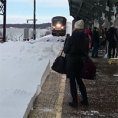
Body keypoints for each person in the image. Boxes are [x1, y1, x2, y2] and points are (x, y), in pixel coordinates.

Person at [63, 20, 89, 108]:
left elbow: (65, 50)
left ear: (76, 28)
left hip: (71, 62)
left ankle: (75, 102)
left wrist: (66, 41)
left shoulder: (71, 38)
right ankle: (85, 99)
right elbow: (87, 50)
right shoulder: (86, 38)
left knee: (72, 81)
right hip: (81, 62)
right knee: (79, 80)